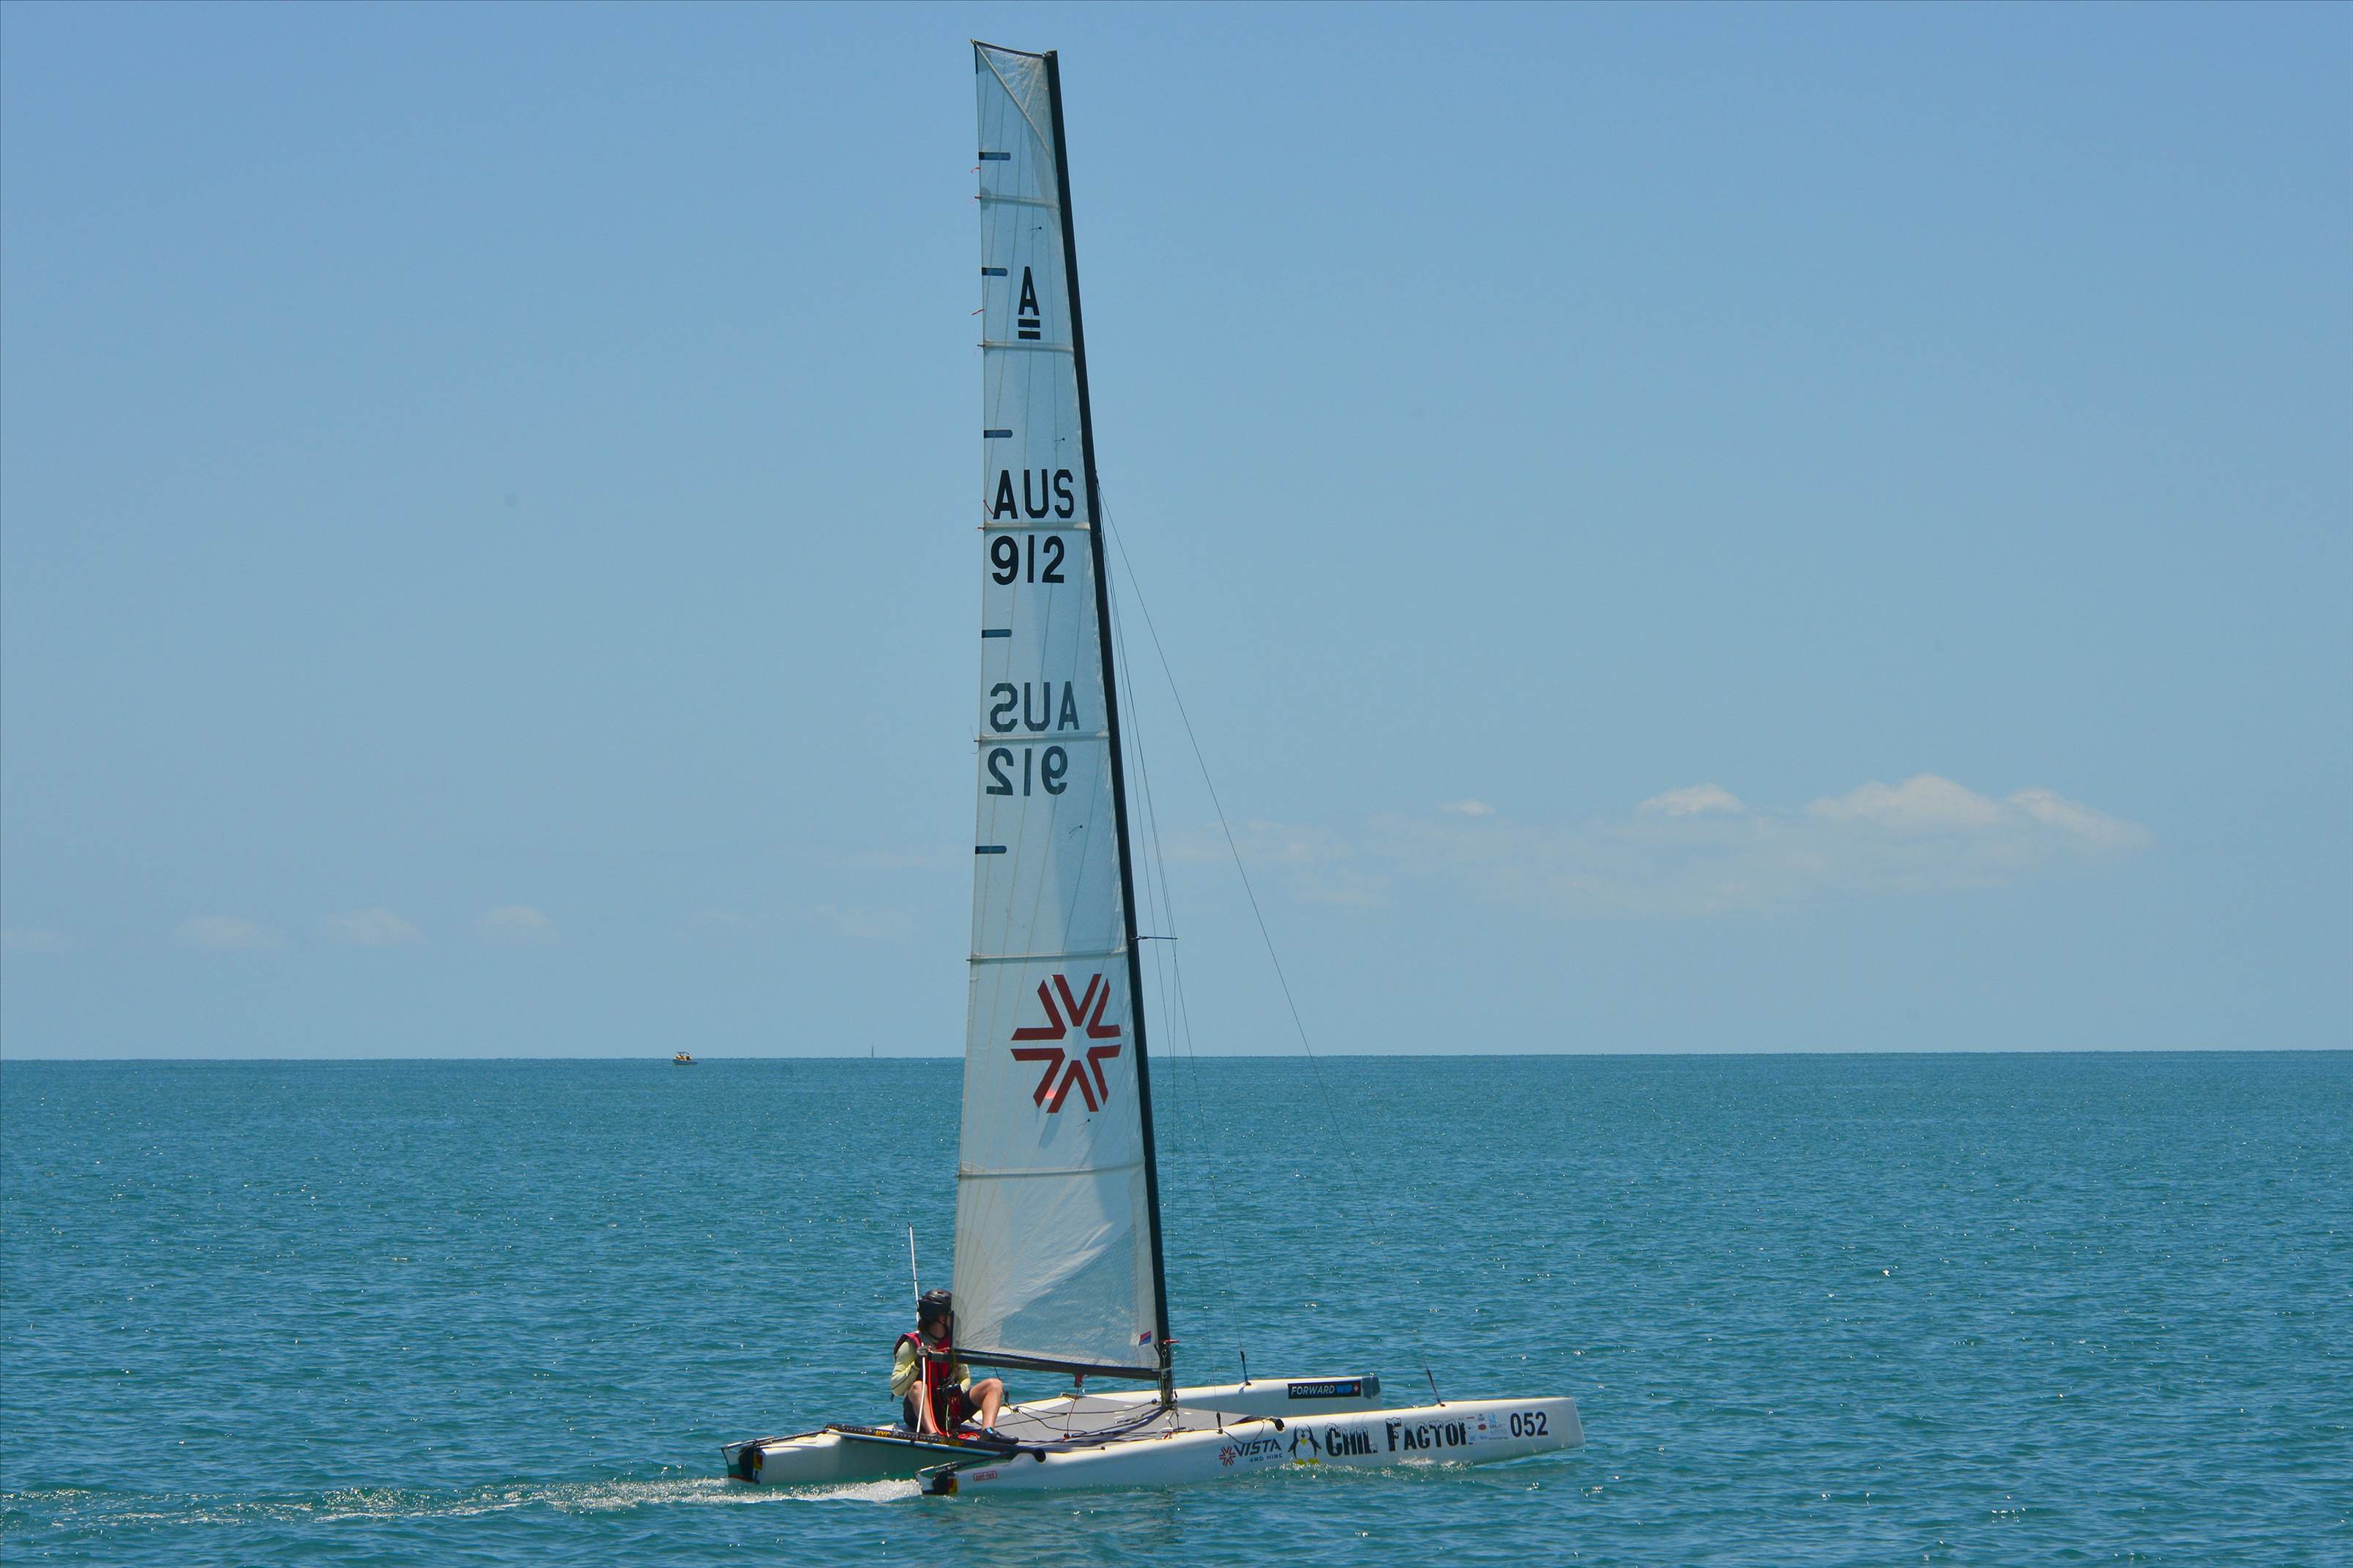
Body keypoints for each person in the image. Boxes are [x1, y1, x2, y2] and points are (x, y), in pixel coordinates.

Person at [891, 1288, 1006, 1438]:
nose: (955, 1319)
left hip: (950, 1411)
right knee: (918, 1386)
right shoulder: (911, 1345)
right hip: (919, 1413)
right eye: (952, 1315)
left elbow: (965, 1377)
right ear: (942, 1318)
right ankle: (933, 1434)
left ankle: (988, 1432)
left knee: (994, 1385)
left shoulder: (953, 1343)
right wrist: (916, 1364)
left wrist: (957, 1393)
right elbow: (896, 1389)